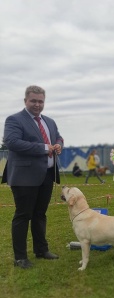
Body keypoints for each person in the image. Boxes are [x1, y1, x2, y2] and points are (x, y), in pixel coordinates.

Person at [1, 85, 64, 269]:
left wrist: (58, 145)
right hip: (24, 176)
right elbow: (11, 142)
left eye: (40, 101)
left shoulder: (50, 122)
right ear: (25, 101)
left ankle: (41, 250)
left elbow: (58, 137)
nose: (37, 104)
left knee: (40, 214)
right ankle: (20, 257)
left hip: (46, 175)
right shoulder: (14, 120)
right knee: (23, 215)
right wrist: (45, 148)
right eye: (33, 101)